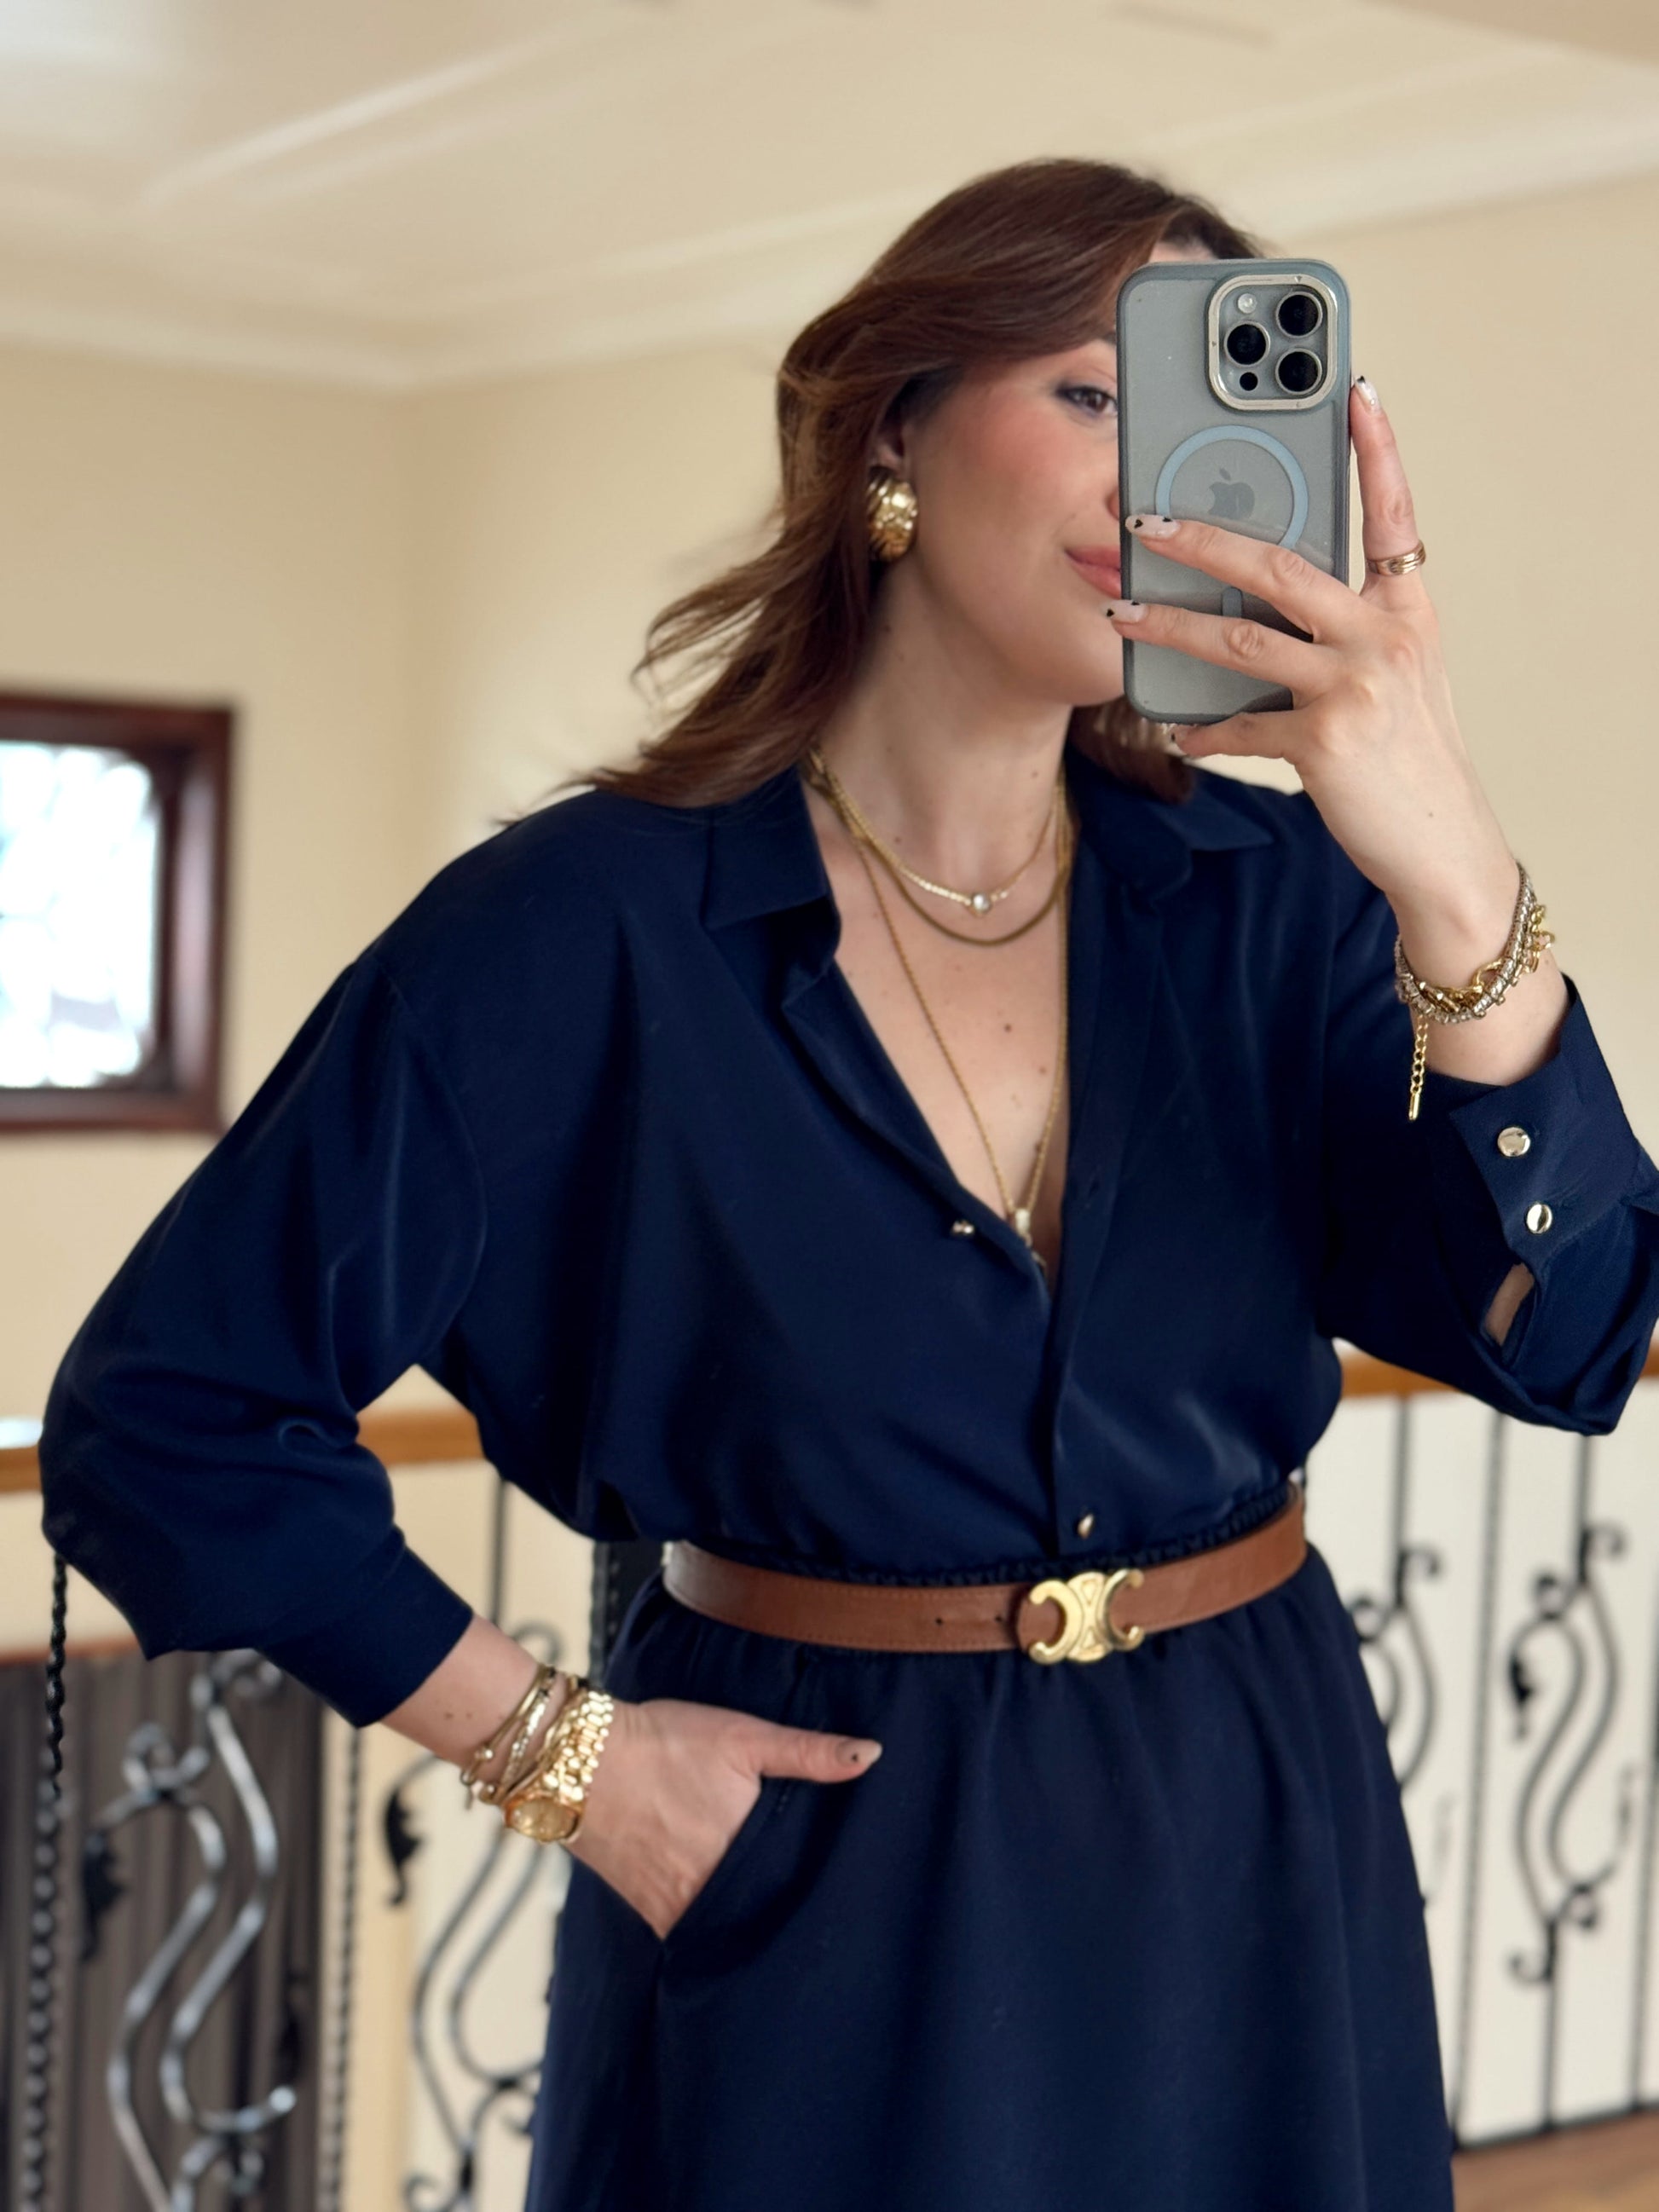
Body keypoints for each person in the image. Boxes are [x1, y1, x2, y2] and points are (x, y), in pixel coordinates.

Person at [40, 158, 1659, 2212]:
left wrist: (1455, 869)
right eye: (1090, 391)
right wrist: (560, 1754)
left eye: (1193, 414)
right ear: (892, 427)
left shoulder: (1281, 904)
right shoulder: (578, 931)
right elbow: (163, 1419)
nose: (1153, 475)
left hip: (1250, 1832)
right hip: (810, 1867)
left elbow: (1573, 1337)